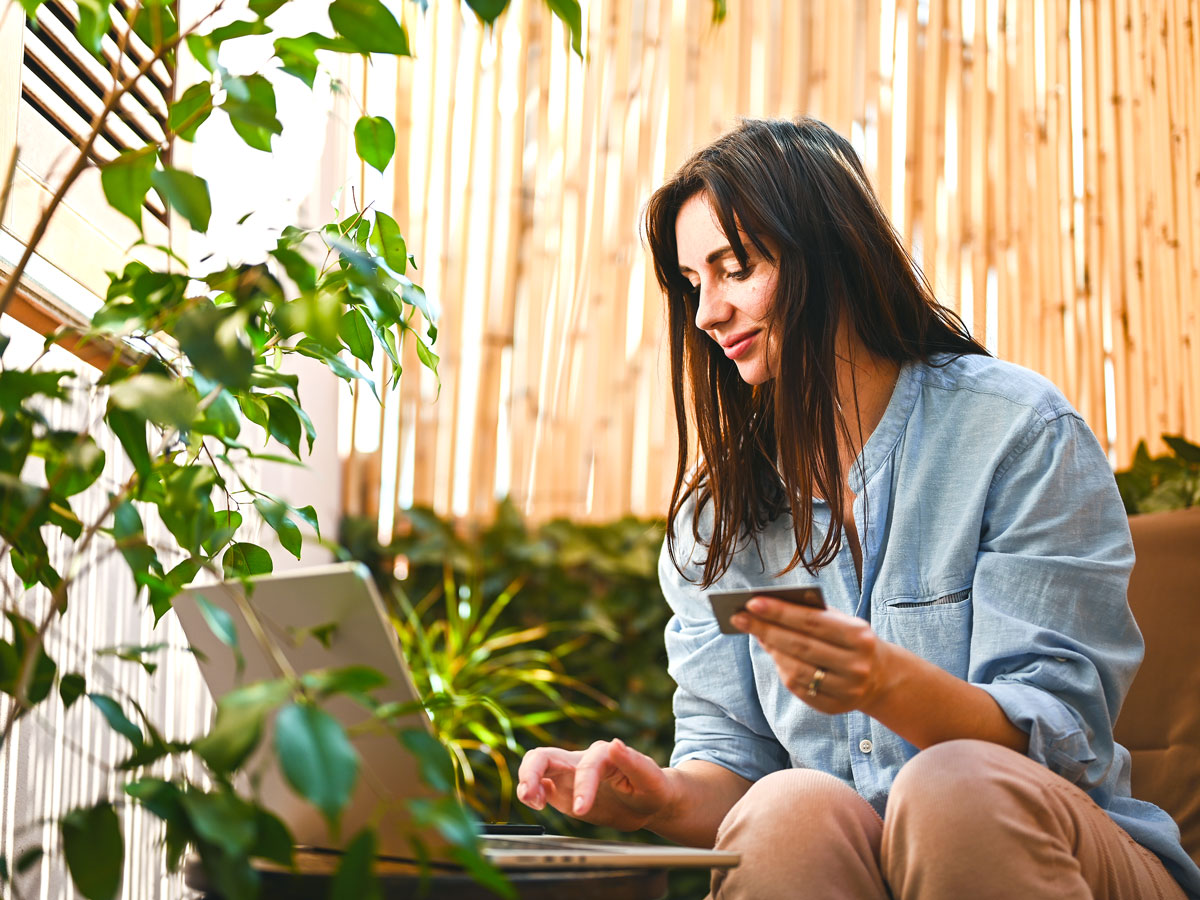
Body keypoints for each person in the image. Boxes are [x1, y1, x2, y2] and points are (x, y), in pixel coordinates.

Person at [515, 117, 1200, 900]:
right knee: (785, 808)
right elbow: (733, 770)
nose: (706, 313)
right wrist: (657, 797)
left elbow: (1049, 745)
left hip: (1063, 849)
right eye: (692, 283)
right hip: (854, 865)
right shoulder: (718, 520)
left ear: (828, 256)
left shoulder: (1017, 432)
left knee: (954, 787)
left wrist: (882, 681)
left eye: (734, 269)